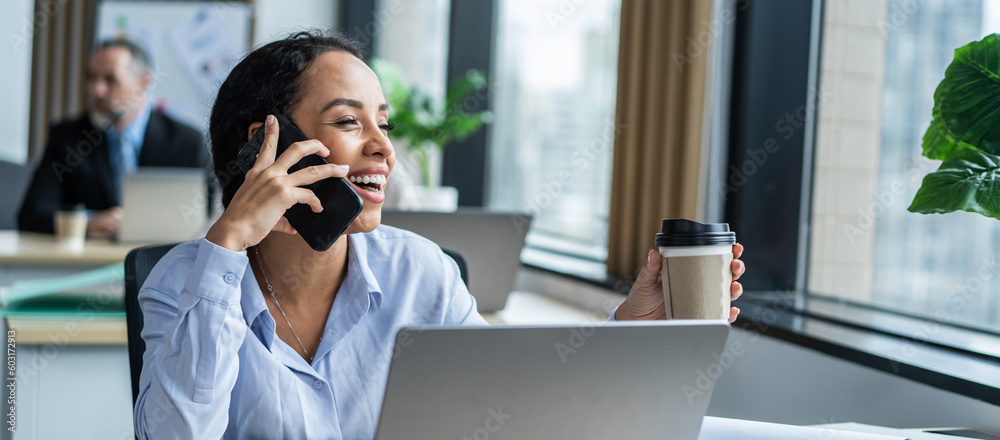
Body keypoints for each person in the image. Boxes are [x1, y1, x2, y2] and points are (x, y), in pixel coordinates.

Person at [132, 31, 746, 439]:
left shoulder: (419, 273)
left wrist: (627, 328)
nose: (383, 148)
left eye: (384, 123)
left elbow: (510, 412)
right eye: (349, 121)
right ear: (267, 147)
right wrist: (231, 237)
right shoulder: (187, 281)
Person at [17, 39, 206, 237]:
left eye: (110, 79)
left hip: (161, 259)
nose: (97, 90)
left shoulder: (186, 142)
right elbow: (32, 215)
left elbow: (208, 217)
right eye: (91, 78)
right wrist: (89, 223)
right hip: (90, 261)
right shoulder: (68, 139)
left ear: (143, 83)